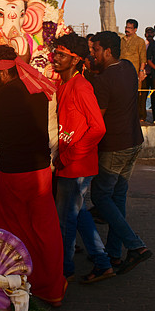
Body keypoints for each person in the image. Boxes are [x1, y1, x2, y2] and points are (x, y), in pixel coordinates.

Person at [0, 44, 66, 307]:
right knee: (46, 230)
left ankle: (18, 284)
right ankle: (53, 289)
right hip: (41, 171)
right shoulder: (38, 92)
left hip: (12, 173)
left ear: (2, 72)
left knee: (11, 232)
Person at [50, 33, 113, 284]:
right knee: (77, 214)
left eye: (61, 55)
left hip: (76, 165)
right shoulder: (63, 84)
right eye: (55, 53)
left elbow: (98, 128)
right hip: (68, 163)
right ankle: (102, 262)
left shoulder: (81, 86)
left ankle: (64, 271)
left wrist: (69, 156)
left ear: (75, 60)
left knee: (66, 219)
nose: (55, 58)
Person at [89, 31, 151, 275]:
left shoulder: (103, 80)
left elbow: (98, 119)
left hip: (114, 145)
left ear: (107, 51)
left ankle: (135, 245)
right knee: (117, 197)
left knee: (101, 197)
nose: (92, 54)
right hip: (134, 140)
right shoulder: (127, 67)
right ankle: (114, 254)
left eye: (95, 50)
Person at [120, 19, 147, 120]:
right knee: (123, 94)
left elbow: (143, 58)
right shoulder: (121, 40)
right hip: (122, 72)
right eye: (126, 27)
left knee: (135, 95)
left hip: (134, 72)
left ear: (135, 29)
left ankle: (136, 116)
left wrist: (141, 71)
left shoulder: (140, 41)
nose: (127, 29)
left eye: (130, 28)